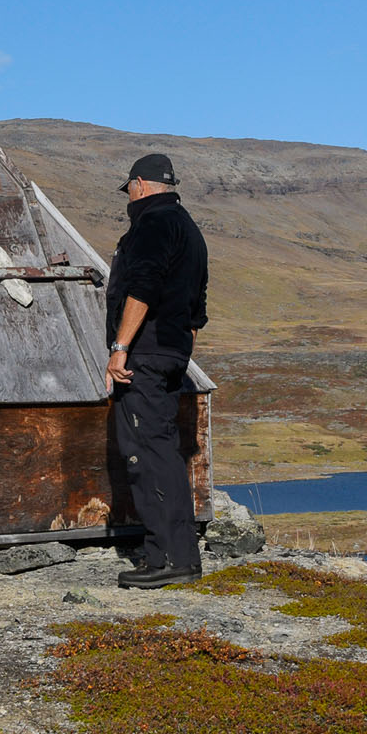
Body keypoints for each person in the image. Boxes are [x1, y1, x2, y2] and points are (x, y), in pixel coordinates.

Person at [105, 152, 210, 589]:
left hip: (145, 354)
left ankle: (164, 558)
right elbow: (195, 310)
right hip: (171, 353)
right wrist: (176, 349)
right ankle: (179, 554)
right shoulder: (188, 228)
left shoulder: (151, 224)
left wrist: (121, 348)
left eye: (129, 188)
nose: (128, 197)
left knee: (145, 450)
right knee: (163, 447)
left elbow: (143, 286)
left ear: (141, 185)